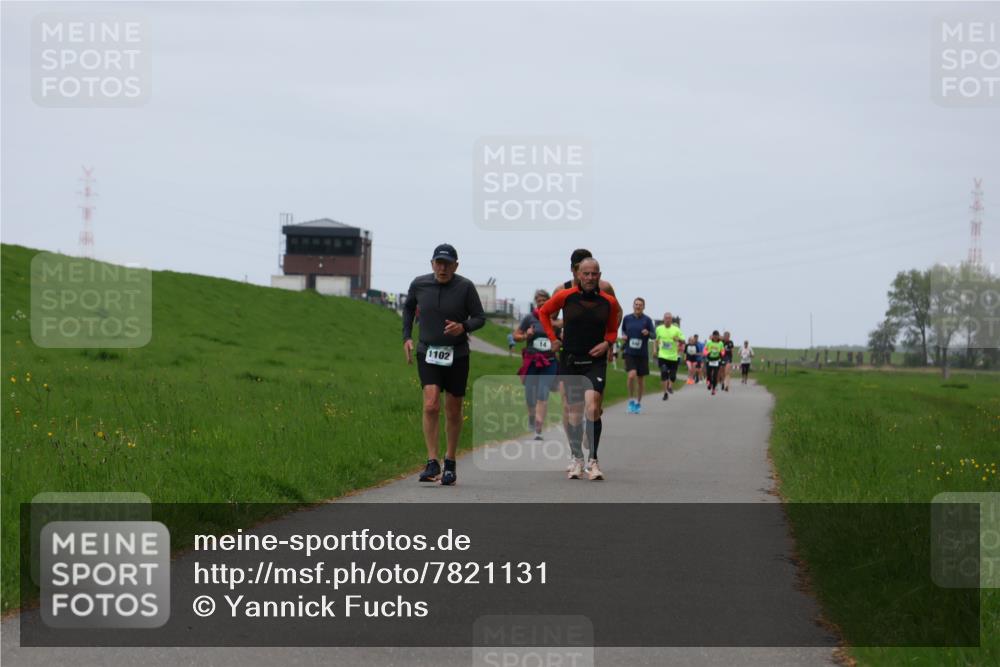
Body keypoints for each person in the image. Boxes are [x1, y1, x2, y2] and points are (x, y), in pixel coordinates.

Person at [402, 244, 485, 486]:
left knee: (453, 408)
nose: (443, 268)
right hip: (427, 352)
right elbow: (408, 308)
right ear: (432, 264)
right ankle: (431, 461)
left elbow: (480, 317)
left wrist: (463, 327)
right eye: (439, 263)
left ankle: (449, 460)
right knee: (430, 404)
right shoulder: (419, 284)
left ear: (455, 266)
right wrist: (407, 337)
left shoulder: (465, 286)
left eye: (448, 264)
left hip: (457, 355)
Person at [538, 257, 620, 481]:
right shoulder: (565, 296)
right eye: (586, 274)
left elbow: (612, 328)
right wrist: (553, 338)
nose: (590, 278)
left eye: (594, 274)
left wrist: (607, 343)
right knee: (574, 413)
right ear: (578, 275)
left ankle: (593, 461)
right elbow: (544, 313)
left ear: (599, 276)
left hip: (595, 361)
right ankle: (576, 459)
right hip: (571, 360)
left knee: (593, 408)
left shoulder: (608, 302)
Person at [514, 290, 559, 440]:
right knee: (530, 394)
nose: (542, 303)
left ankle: (538, 429)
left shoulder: (554, 320)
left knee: (542, 392)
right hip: (532, 360)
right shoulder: (529, 318)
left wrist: (559, 342)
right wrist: (527, 335)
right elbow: (516, 336)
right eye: (539, 300)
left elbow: (561, 340)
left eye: (544, 300)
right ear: (535, 302)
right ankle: (532, 417)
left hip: (549, 361)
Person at [621, 298, 654, 414]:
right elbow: (623, 330)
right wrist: (624, 336)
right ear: (633, 306)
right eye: (636, 304)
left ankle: (638, 403)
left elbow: (654, 335)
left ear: (643, 307)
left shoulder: (647, 320)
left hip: (642, 354)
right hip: (630, 352)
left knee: (640, 380)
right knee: (631, 376)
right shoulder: (627, 318)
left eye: (640, 305)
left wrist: (648, 333)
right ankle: (630, 400)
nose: (638, 306)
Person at [654, 312, 685, 400]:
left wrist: (678, 339)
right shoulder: (659, 329)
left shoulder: (676, 330)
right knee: (664, 372)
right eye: (666, 318)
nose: (667, 320)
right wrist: (655, 350)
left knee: (673, 376)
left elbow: (683, 341)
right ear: (663, 319)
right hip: (662, 356)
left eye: (669, 318)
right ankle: (665, 393)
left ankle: (669, 386)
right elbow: (655, 341)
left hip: (673, 357)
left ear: (671, 320)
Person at [703, 330, 725, 396]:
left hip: (716, 360)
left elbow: (723, 350)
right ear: (712, 336)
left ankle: (713, 389)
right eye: (714, 336)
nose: (715, 337)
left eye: (717, 336)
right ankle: (709, 382)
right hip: (709, 359)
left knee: (715, 375)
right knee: (709, 373)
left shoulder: (721, 343)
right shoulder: (709, 342)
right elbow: (704, 350)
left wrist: (722, 354)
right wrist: (707, 353)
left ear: (718, 336)